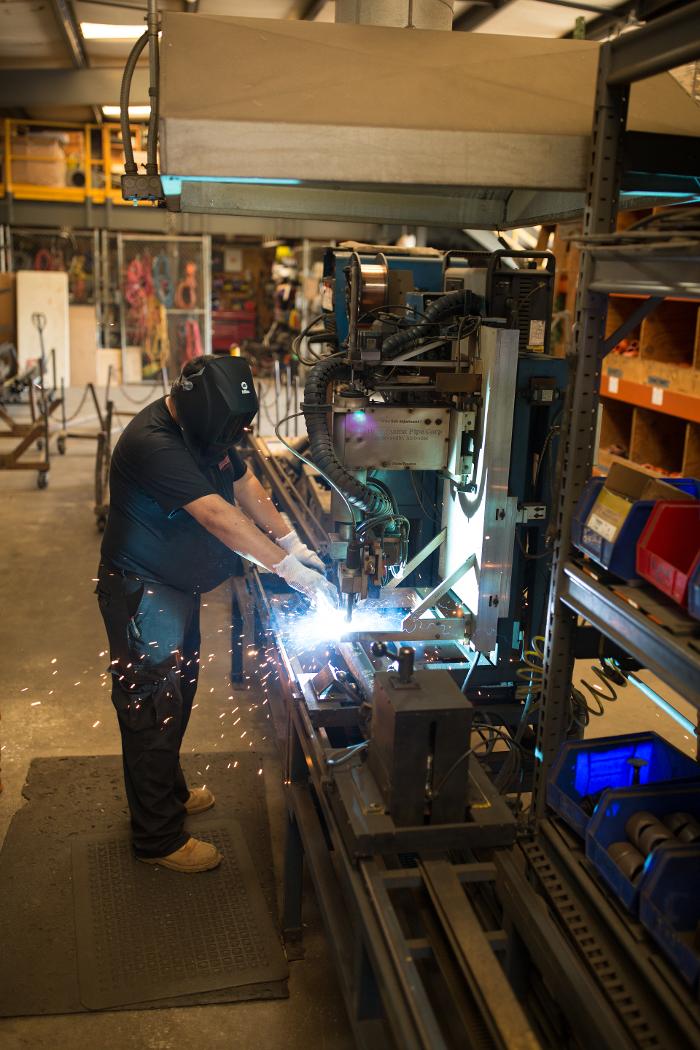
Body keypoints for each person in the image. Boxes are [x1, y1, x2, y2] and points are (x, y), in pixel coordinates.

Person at [96, 355, 336, 873]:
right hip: (142, 590)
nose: (227, 442)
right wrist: (288, 571)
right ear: (194, 412)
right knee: (151, 708)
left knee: (177, 695)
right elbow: (217, 515)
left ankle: (169, 793)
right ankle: (156, 838)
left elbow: (245, 485)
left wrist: (291, 541)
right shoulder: (154, 443)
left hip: (175, 587)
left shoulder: (206, 429)